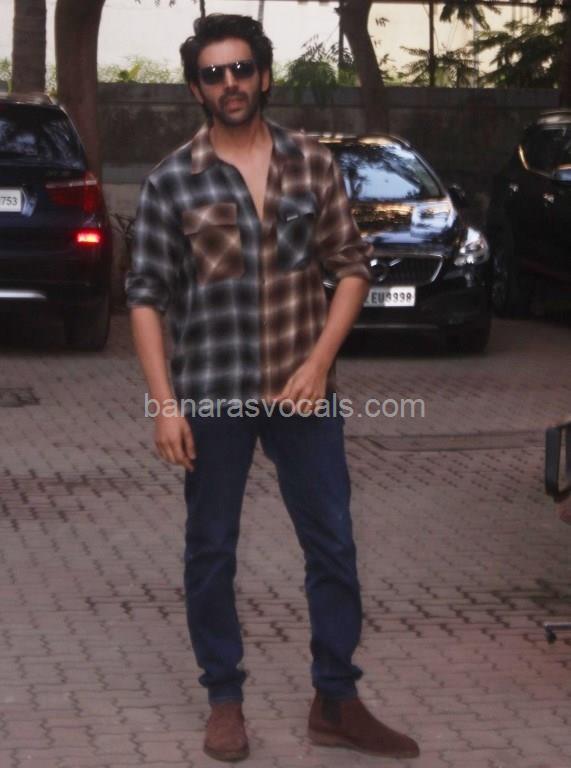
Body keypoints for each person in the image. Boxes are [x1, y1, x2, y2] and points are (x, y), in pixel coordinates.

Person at [126, 13, 420, 763]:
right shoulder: (171, 180)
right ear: (196, 88)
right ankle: (224, 700)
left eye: (241, 68)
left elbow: (350, 268)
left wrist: (319, 363)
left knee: (333, 543)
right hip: (212, 391)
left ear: (263, 76)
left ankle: (336, 700)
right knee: (211, 549)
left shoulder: (311, 164)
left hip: (302, 390)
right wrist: (164, 406)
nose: (230, 83)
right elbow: (146, 298)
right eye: (214, 73)